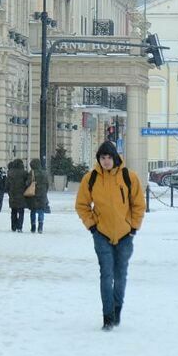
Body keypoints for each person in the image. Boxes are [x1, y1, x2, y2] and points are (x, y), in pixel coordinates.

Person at [75, 140, 145, 330]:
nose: (106, 161)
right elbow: (82, 205)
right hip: (101, 235)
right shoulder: (91, 179)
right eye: (102, 158)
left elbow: (138, 204)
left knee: (120, 275)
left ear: (115, 158)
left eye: (109, 157)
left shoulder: (128, 177)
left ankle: (117, 308)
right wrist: (92, 227)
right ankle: (107, 316)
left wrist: (133, 228)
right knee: (106, 275)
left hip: (125, 235)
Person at [26, 158, 50, 234]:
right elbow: (47, 184)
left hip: (33, 194)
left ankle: (33, 226)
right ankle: (40, 226)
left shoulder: (31, 173)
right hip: (42, 194)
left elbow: (28, 183)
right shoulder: (44, 173)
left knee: (33, 210)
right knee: (41, 210)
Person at [7, 158, 28, 232]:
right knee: (21, 212)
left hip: (12, 194)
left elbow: (7, 184)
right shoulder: (24, 173)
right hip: (22, 195)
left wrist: (9, 191)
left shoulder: (10, 172)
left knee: (13, 211)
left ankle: (13, 226)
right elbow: (28, 183)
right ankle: (19, 227)